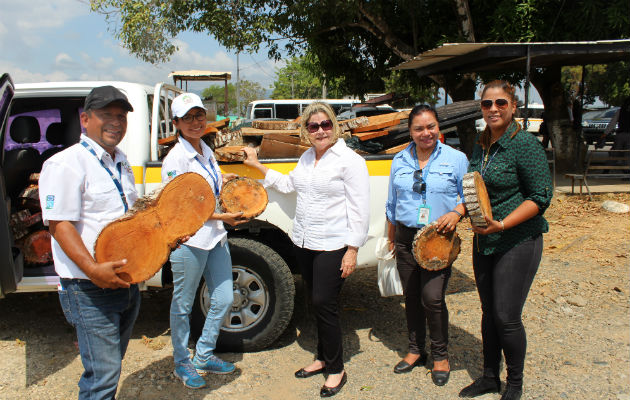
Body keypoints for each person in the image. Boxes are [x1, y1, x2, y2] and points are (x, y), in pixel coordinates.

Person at [242, 102, 369, 398]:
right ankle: (322, 358)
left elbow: (360, 210)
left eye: (326, 124)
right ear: (307, 131)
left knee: (325, 302)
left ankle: (336, 369)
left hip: (333, 244)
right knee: (315, 302)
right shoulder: (307, 158)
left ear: (334, 126)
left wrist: (352, 250)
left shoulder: (349, 161)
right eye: (314, 126)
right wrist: (257, 168)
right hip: (304, 241)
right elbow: (288, 185)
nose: (321, 130)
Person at [39, 86, 141, 399]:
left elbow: (129, 217)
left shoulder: (120, 160)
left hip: (126, 283)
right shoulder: (66, 164)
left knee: (109, 365)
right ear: (85, 119)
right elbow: (60, 225)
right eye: (106, 115)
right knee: (103, 377)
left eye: (121, 116)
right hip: (88, 287)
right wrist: (94, 270)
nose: (116, 122)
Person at [459, 80, 553, 400]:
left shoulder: (524, 144)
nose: (493, 109)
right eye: (487, 104)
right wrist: (457, 213)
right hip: (485, 240)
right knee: (488, 312)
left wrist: (501, 224)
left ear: (513, 107)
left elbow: (541, 196)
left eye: (500, 103)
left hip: (518, 239)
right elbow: (474, 185)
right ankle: (489, 377)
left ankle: (514, 385)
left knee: (505, 315)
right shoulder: (481, 144)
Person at [161, 93, 247, 389]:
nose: (195, 122)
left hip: (214, 238)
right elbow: (181, 207)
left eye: (199, 116)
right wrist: (223, 218)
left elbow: (207, 185)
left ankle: (204, 354)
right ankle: (182, 363)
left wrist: (223, 178)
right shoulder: (176, 159)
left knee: (223, 298)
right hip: (190, 241)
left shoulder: (205, 150)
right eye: (188, 118)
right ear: (176, 123)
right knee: (183, 305)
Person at [385, 105, 468, 386]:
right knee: (410, 297)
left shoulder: (456, 159)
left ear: (438, 128)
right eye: (419, 128)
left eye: (430, 126)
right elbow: (391, 204)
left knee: (432, 298)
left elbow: (470, 196)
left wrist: (457, 212)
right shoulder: (399, 159)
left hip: (438, 239)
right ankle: (415, 350)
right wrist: (390, 238)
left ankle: (441, 355)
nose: (426, 133)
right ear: (410, 131)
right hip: (406, 238)